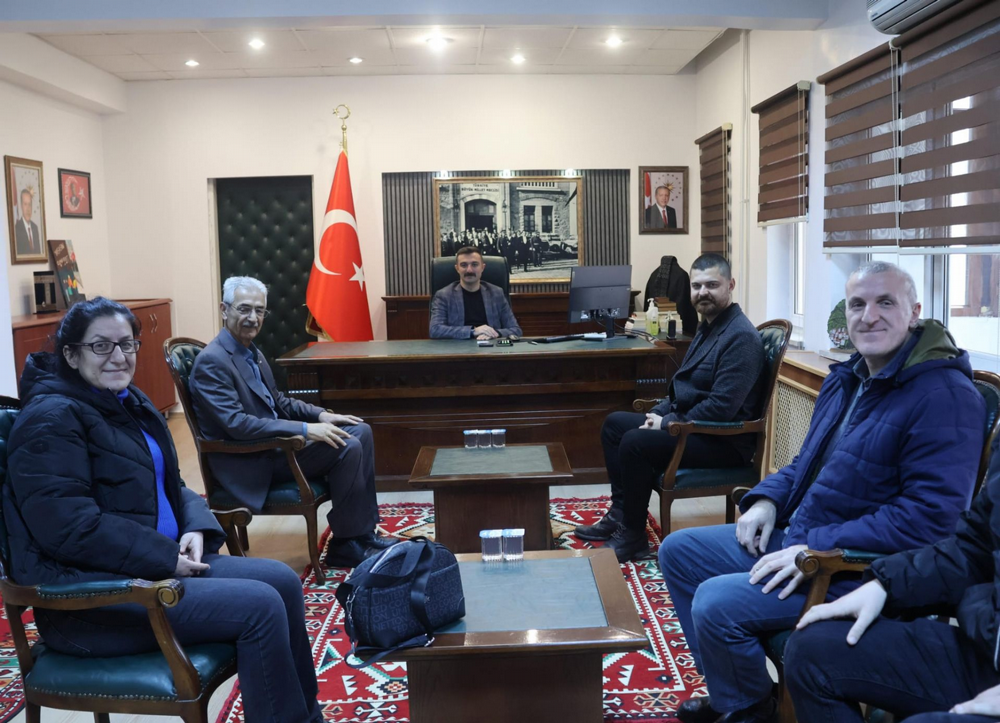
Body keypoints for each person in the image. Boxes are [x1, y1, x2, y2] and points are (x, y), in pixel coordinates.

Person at [659, 261, 986, 723]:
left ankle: (746, 713)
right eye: (857, 304)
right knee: (678, 551)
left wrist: (814, 546)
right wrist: (767, 499)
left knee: (715, 603)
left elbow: (930, 520)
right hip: (804, 534)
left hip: (853, 566)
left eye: (885, 302)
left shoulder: (945, 395)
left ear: (914, 313)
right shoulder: (848, 377)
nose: (869, 316)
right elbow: (805, 463)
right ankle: (744, 697)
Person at [4, 297, 323, 723]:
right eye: (101, 346)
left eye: (127, 344)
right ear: (71, 354)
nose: (119, 356)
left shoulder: (124, 401)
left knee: (282, 581)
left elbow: (173, 484)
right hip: (91, 601)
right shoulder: (51, 418)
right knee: (261, 605)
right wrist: (163, 556)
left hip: (147, 569)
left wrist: (194, 527)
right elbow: (69, 527)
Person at [787, 435, 1000, 723]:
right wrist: (885, 584)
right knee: (811, 648)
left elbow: (925, 517)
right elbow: (973, 550)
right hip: (987, 648)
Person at [189, 276, 396, 568]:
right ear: (224, 310)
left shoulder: (250, 351)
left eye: (259, 310)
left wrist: (321, 415)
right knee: (347, 445)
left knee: (361, 430)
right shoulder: (212, 361)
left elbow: (278, 401)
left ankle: (362, 534)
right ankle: (345, 545)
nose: (253, 318)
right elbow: (237, 424)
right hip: (249, 461)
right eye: (244, 309)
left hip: (272, 448)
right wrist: (306, 430)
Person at [575, 253, 765, 563]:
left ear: (730, 285)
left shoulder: (740, 336)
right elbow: (684, 391)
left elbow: (721, 408)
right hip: (695, 429)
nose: (703, 292)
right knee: (614, 424)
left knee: (635, 442)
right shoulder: (709, 326)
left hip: (724, 441)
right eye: (697, 286)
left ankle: (633, 537)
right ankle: (621, 513)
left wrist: (665, 423)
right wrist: (661, 414)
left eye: (712, 285)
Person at [429, 246, 522, 340]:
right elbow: (435, 330)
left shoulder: (497, 293)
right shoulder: (443, 295)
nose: (469, 270)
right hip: (458, 347)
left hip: (491, 346)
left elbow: (516, 330)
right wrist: (473, 331)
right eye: (464, 265)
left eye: (474, 264)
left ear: (482, 267)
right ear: (457, 268)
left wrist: (495, 333)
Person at [14, 187, 42, 256]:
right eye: (25, 204)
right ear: (21, 206)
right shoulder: (16, 229)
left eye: (30, 204)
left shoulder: (35, 228)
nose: (28, 209)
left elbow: (38, 254)